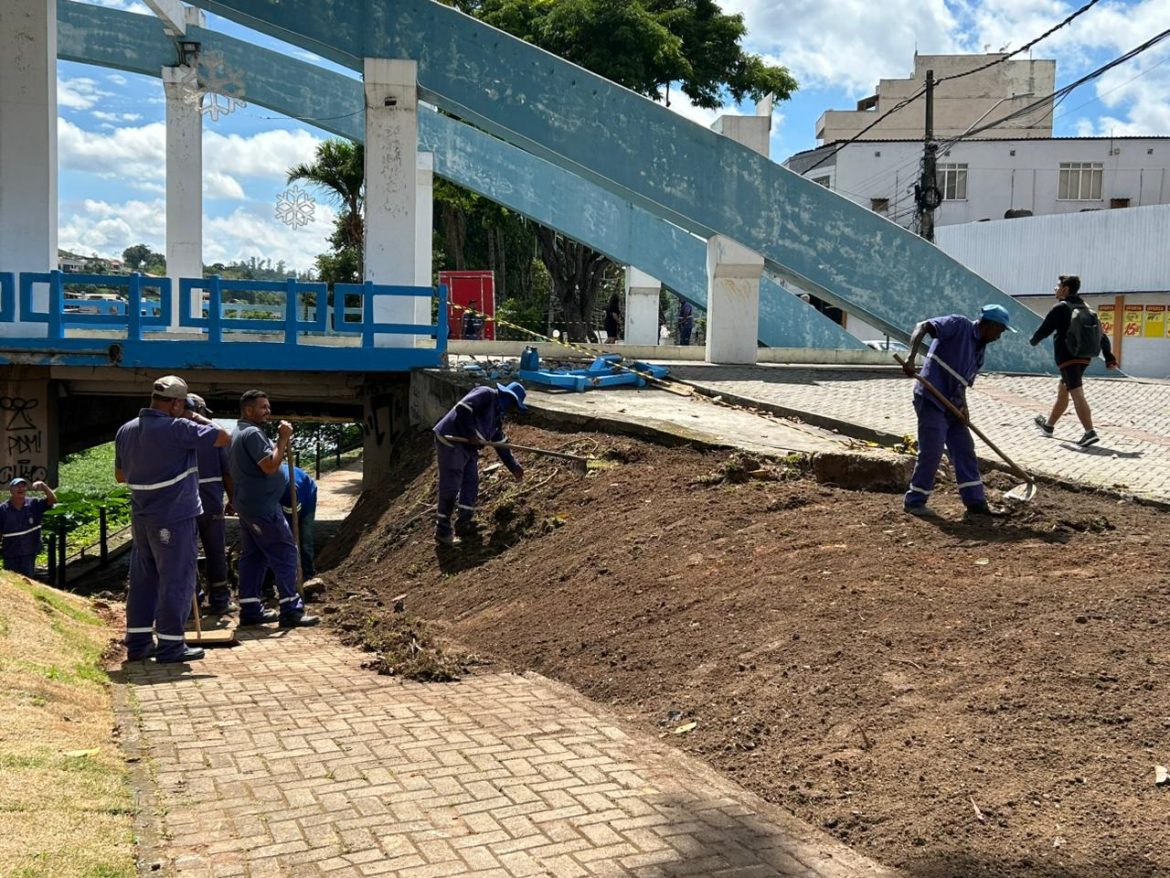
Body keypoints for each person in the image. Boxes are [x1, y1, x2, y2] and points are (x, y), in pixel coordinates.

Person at [115, 375, 229, 663]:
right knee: (177, 579)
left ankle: (139, 644)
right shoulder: (179, 427)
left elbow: (120, 475)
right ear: (177, 404)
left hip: (141, 517)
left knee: (143, 580)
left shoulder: (126, 429)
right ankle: (170, 646)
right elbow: (223, 436)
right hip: (174, 516)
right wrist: (193, 416)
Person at [900, 304, 1016, 518]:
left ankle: (975, 502)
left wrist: (964, 409)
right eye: (999, 331)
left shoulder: (980, 351)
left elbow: (962, 383)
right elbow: (922, 326)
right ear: (989, 325)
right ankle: (915, 501)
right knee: (932, 450)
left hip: (952, 405)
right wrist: (910, 357)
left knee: (965, 449)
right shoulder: (958, 325)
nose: (1000, 337)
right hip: (931, 397)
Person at [228, 390, 319, 628]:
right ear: (248, 410)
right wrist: (282, 439)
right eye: (263, 407)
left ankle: (250, 608)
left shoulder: (239, 432)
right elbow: (269, 465)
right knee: (285, 552)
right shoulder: (251, 433)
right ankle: (290, 609)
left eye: (268, 407)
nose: (268, 411)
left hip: (250, 504)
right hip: (263, 507)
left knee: (254, 556)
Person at [432, 382, 527, 546]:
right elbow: (463, 408)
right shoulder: (486, 394)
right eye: (511, 403)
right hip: (451, 439)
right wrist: (470, 433)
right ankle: (443, 530)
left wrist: (514, 466)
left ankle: (464, 522)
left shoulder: (496, 419)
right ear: (506, 396)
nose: (511, 408)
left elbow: (501, 444)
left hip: (468, 447)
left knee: (471, 482)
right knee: (451, 484)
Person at [1030, 274, 1119, 447]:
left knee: (1076, 392)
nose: (1055, 289)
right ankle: (1048, 426)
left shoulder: (1061, 308)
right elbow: (1101, 335)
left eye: (1057, 286)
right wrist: (1109, 357)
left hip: (1067, 357)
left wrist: (1032, 341)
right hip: (1084, 357)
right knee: (1064, 388)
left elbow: (1044, 330)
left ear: (1065, 288)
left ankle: (1089, 432)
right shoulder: (1086, 308)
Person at [188, 394, 234, 615]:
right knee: (215, 551)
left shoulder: (176, 434)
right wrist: (233, 499)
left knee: (187, 552)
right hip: (211, 500)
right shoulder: (213, 436)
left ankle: (192, 601)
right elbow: (227, 473)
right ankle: (220, 600)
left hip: (185, 503)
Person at [0, 477, 57, 576]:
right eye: (17, 486)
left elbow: (52, 500)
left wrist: (44, 487)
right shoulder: (3, 509)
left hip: (29, 551)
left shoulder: (34, 504)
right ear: (11, 490)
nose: (20, 489)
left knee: (27, 582)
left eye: (23, 486)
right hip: (10, 552)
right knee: (12, 583)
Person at [280, 465, 318, 580]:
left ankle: (308, 575)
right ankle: (286, 575)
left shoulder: (302, 493)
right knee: (284, 538)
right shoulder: (273, 488)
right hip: (283, 498)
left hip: (307, 498)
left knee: (305, 539)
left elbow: (295, 515)